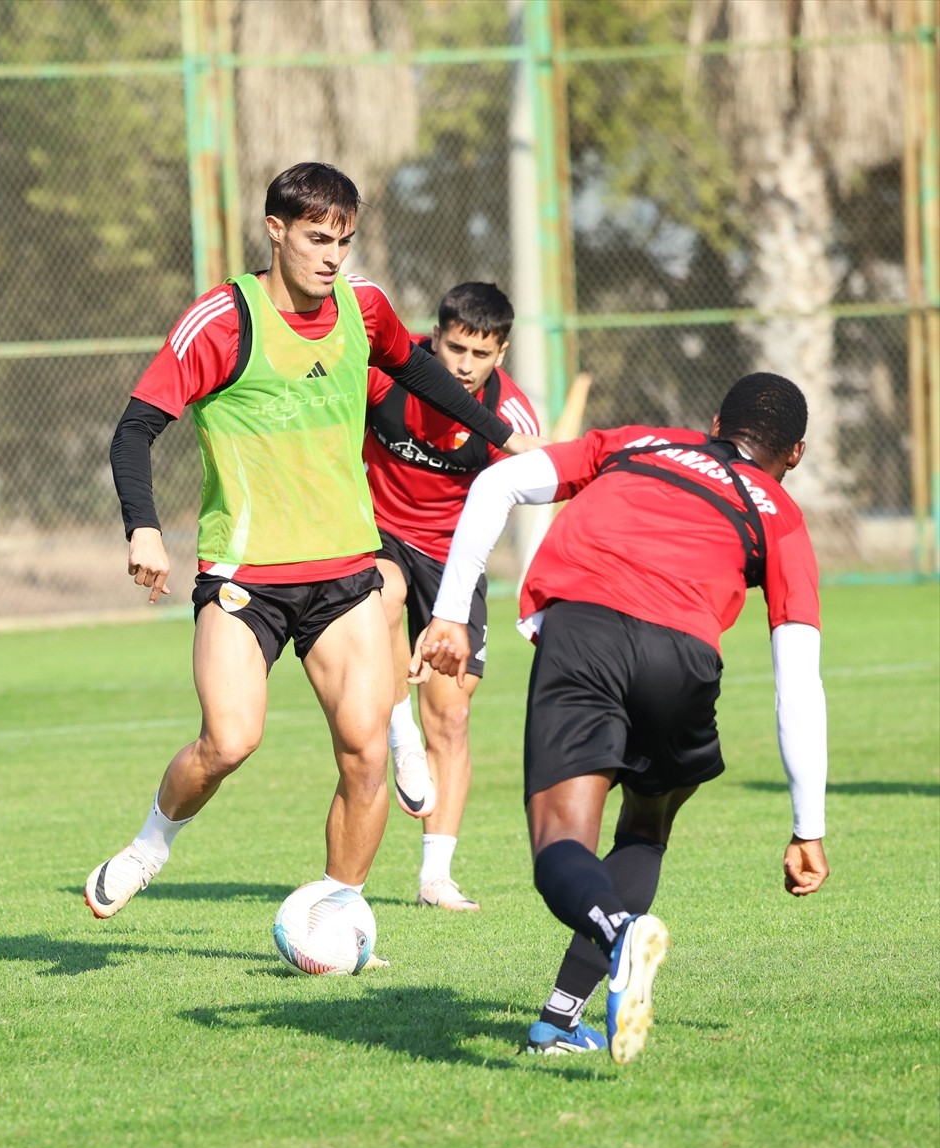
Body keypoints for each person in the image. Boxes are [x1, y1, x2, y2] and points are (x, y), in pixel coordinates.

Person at [84, 163, 540, 937]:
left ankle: (337, 913)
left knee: (365, 756)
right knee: (230, 741)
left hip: (344, 575)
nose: (332, 255)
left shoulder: (363, 306)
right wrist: (144, 526)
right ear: (275, 230)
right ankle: (148, 845)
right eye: (316, 238)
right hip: (246, 576)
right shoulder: (224, 320)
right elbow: (134, 427)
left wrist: (503, 435)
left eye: (344, 239)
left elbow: (414, 364)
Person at [417, 372, 829, 1063]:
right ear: (796, 453)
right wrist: (806, 825)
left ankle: (618, 935)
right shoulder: (780, 515)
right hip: (683, 659)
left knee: (560, 845)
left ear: (714, 421)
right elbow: (797, 674)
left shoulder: (638, 443)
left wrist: (452, 613)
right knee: (647, 825)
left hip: (584, 632)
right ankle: (557, 1019)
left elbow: (496, 484)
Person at [363, 282, 541, 912]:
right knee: (380, 596)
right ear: (432, 337)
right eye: (455, 347)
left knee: (454, 717)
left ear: (502, 352)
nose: (465, 365)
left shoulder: (510, 418)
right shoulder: (383, 373)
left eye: (481, 354)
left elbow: (515, 503)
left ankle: (435, 876)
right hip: (377, 533)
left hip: (455, 560)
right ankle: (397, 731)